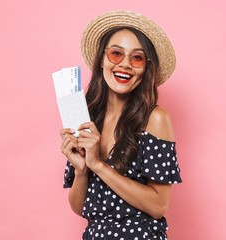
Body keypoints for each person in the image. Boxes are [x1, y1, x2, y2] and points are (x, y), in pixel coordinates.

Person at [59, 10, 182, 240]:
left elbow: (158, 206)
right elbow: (80, 209)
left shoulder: (155, 119)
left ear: (146, 67)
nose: (125, 64)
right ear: (102, 60)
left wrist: (97, 164)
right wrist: (81, 170)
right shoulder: (87, 120)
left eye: (137, 58)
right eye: (116, 54)